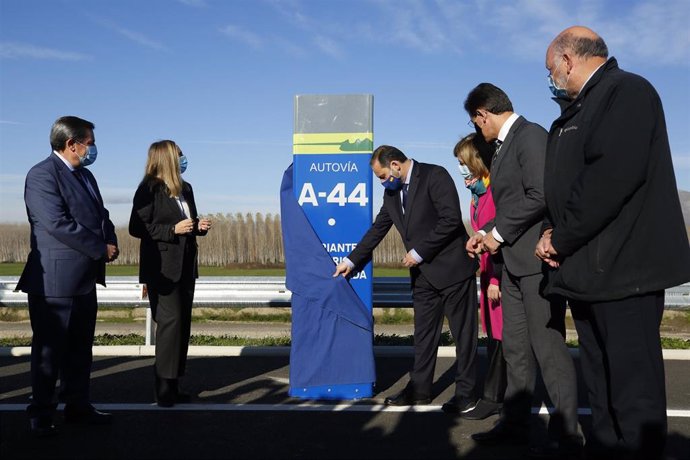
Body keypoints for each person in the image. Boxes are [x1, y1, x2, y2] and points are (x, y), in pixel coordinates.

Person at [537, 26, 690, 460]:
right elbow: (560, 187)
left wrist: (559, 238)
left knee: (632, 388)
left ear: (568, 61)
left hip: (625, 273)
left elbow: (610, 179)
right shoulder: (573, 113)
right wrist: (552, 234)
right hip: (585, 272)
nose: (551, 80)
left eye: (551, 70)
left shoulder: (628, 93)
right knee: (600, 383)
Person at [463, 83, 581, 458]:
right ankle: (515, 425)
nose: (478, 129)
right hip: (510, 264)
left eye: (476, 121)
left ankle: (567, 434)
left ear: (484, 113)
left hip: (534, 263)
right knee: (515, 350)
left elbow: (540, 194)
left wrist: (498, 232)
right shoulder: (501, 149)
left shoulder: (530, 137)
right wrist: (485, 233)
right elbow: (511, 202)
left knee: (548, 350)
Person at [333, 145, 479, 414]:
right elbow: (377, 230)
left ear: (396, 166)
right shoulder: (392, 193)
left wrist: (419, 252)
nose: (381, 182)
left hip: (453, 271)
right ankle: (419, 390)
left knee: (464, 336)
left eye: (381, 175)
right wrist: (351, 261)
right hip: (423, 277)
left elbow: (450, 220)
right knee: (423, 336)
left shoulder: (435, 176)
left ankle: (467, 394)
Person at [17, 116, 119, 437]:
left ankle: (77, 405)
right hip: (55, 282)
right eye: (89, 143)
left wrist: (111, 239)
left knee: (80, 348)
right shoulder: (42, 175)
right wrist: (99, 249)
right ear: (71, 144)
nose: (93, 149)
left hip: (84, 280)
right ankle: (41, 413)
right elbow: (57, 224)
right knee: (49, 351)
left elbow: (101, 215)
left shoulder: (86, 175)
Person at [129, 140, 211, 407]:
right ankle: (163, 389)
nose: (184, 158)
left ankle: (175, 385)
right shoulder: (149, 189)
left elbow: (188, 224)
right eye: (179, 155)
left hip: (186, 266)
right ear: (166, 158)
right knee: (170, 325)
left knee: (182, 326)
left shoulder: (185, 189)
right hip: (162, 269)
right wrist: (171, 231)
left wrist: (199, 226)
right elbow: (137, 227)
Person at [452, 133, 506, 420]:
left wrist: (496, 278)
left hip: (498, 272)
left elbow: (504, 234)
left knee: (501, 336)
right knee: (493, 335)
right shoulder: (478, 192)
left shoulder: (495, 190)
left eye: (463, 161)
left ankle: (494, 398)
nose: (461, 168)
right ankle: (496, 396)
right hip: (485, 271)